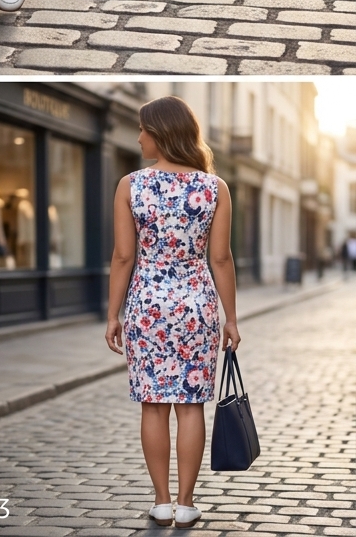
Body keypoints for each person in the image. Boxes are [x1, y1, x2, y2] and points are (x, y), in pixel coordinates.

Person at [105, 96, 240, 530]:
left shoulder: (132, 185)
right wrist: (231, 318)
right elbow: (220, 259)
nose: (139, 136)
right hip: (197, 308)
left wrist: (113, 314)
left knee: (153, 406)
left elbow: (123, 258)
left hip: (147, 308)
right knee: (190, 407)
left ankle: (161, 502)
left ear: (161, 133)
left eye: (144, 129)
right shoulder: (213, 188)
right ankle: (186, 503)